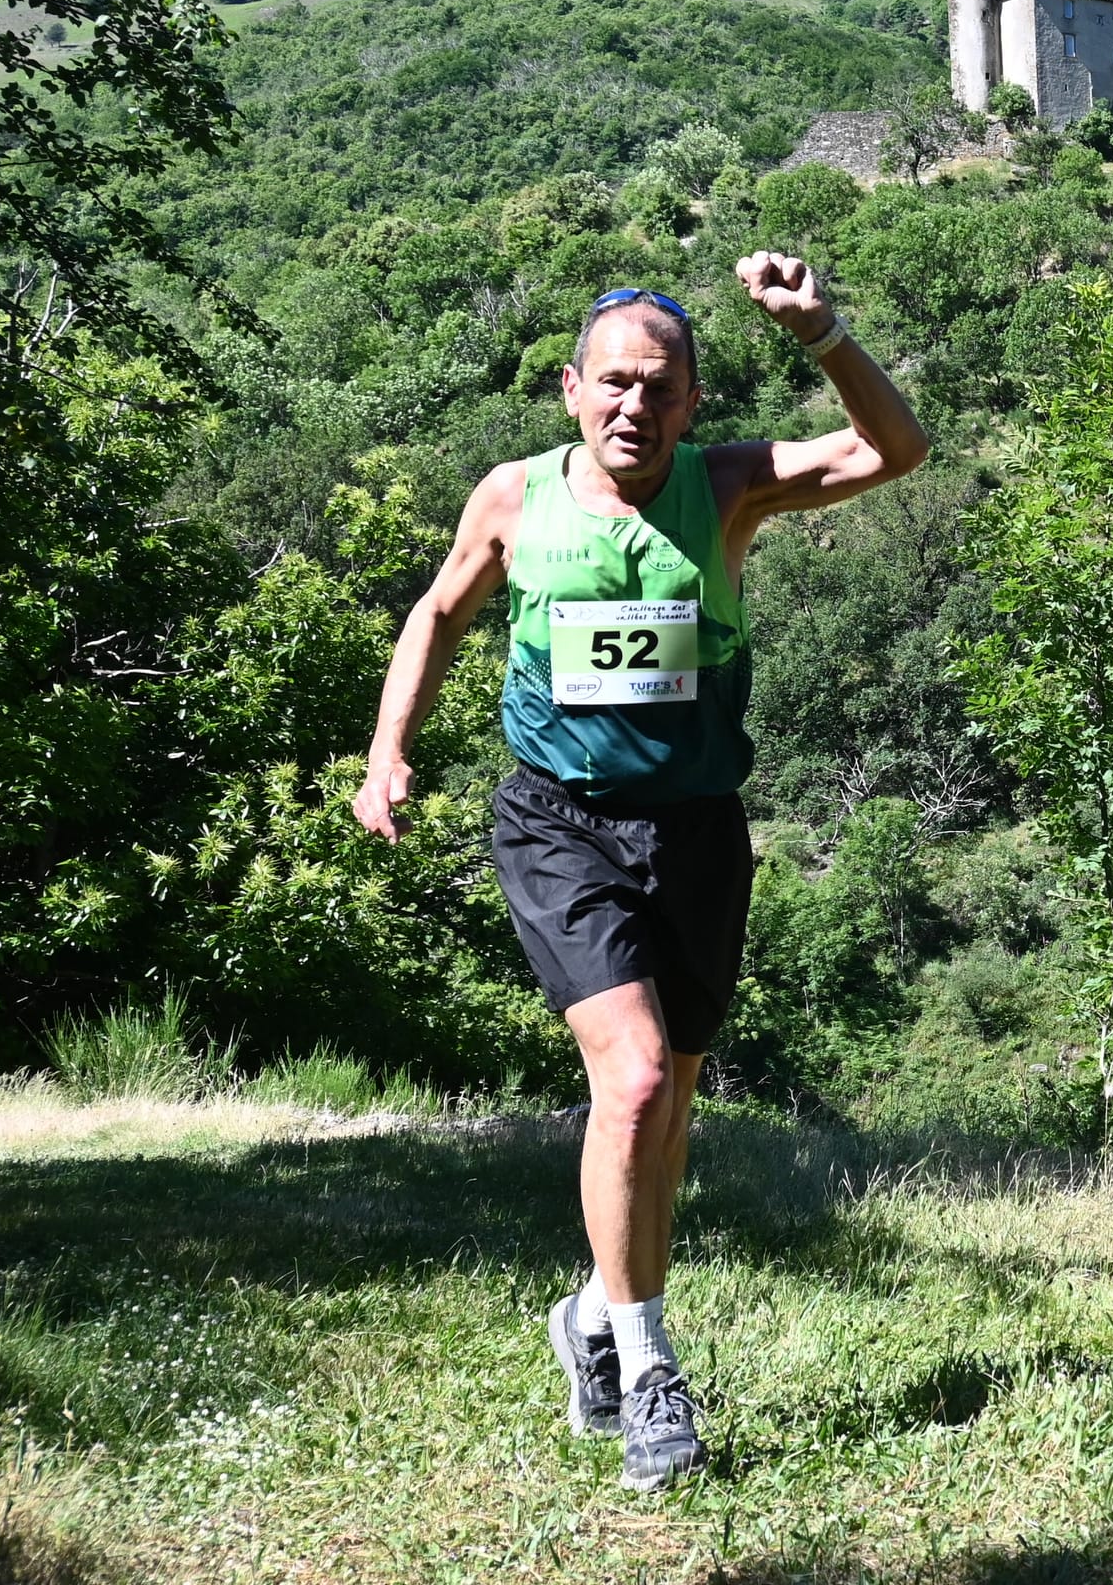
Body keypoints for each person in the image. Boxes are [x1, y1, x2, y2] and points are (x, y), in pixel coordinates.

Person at [351, 252, 927, 1490]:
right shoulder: (510, 497)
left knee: (669, 1114)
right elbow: (439, 612)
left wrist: (821, 331)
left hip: (698, 829)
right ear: (570, 390)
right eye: (611, 383)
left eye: (657, 389)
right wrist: (387, 750)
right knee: (634, 1077)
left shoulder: (726, 489)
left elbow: (894, 450)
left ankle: (592, 1312)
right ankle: (648, 1363)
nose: (632, 407)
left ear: (692, 402)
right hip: (557, 819)